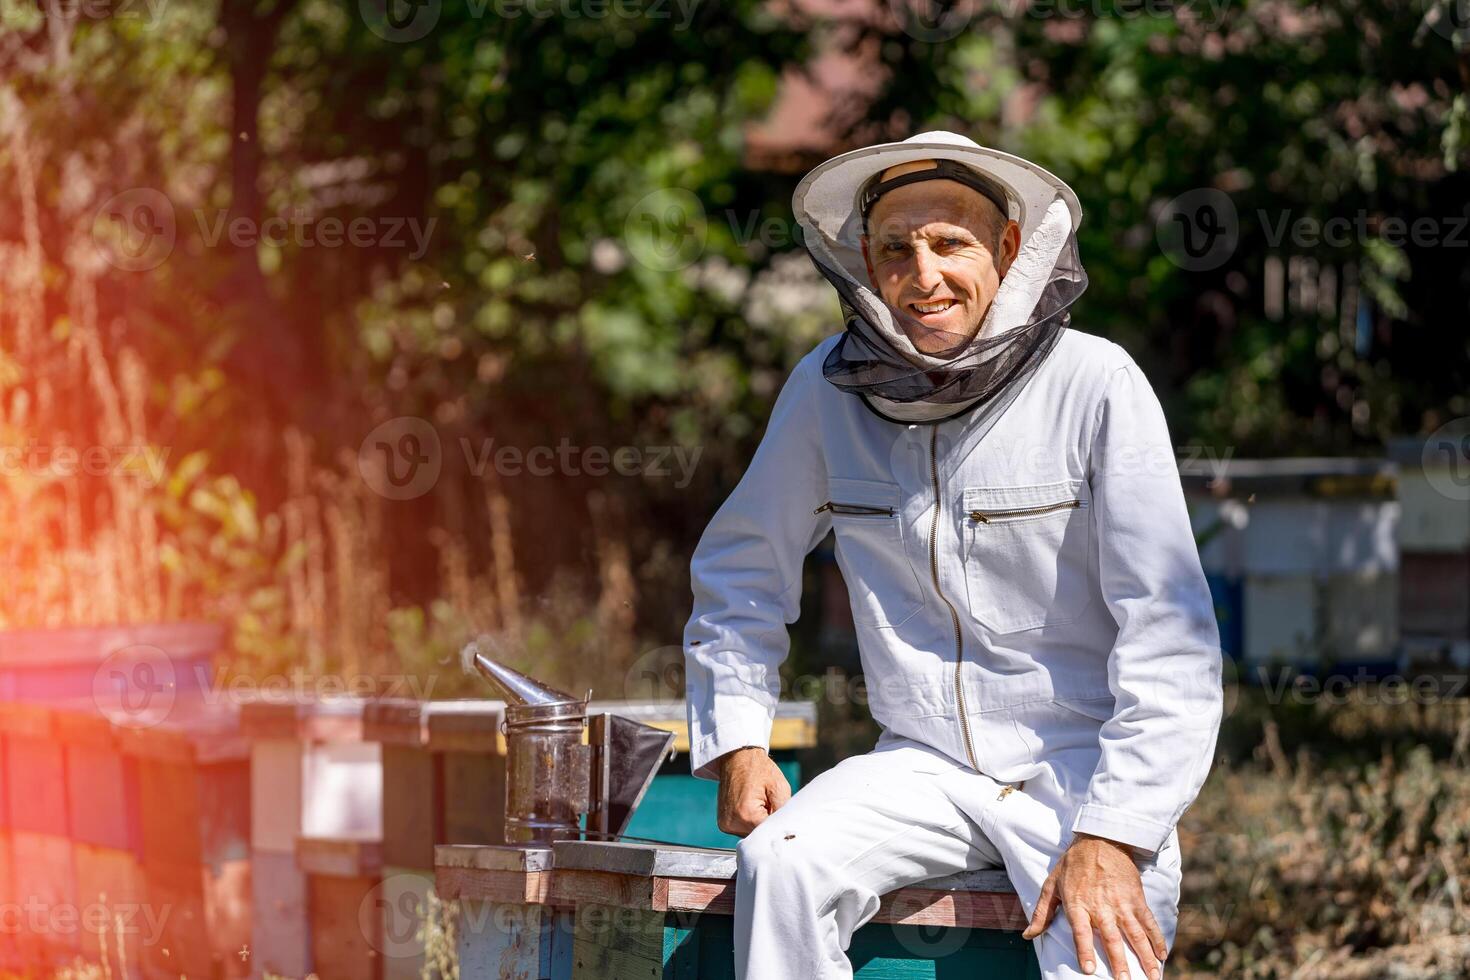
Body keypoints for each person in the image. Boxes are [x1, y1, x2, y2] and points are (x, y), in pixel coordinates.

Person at [681, 131, 1224, 980]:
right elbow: (742, 567)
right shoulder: (827, 390)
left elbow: (1170, 633)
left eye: (950, 243)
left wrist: (1116, 831)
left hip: (1080, 769)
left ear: (1009, 249)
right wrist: (740, 738)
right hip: (922, 765)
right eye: (897, 249)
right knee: (781, 863)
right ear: (865, 258)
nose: (923, 275)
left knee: (1100, 944)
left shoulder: (1096, 383)